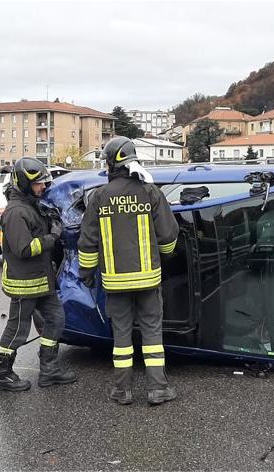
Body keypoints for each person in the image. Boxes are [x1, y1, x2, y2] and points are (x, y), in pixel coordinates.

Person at [77, 137, 179, 406]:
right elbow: (169, 236)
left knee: (121, 337)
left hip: (115, 282)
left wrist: (86, 273)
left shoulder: (99, 196)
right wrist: (163, 258)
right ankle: (158, 389)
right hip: (148, 280)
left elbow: (87, 242)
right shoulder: (150, 193)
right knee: (152, 334)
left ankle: (122, 391)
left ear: (110, 163)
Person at [0, 157, 77, 392]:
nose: (43, 188)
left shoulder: (31, 206)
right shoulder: (16, 212)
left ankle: (49, 370)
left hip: (41, 281)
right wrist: (52, 238)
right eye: (38, 184)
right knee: (17, 330)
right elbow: (24, 248)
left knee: (56, 319)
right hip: (24, 284)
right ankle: (2, 374)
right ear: (24, 183)